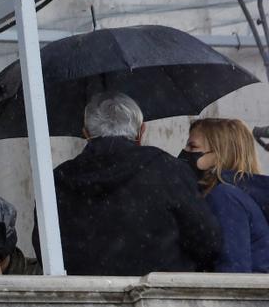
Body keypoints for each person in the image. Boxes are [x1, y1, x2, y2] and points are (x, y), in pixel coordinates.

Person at [53, 91, 222, 275]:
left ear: (85, 133)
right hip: (160, 296)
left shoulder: (58, 178)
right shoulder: (167, 169)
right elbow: (208, 241)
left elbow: (45, 246)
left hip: (81, 297)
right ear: (141, 132)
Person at [180, 118, 269, 272]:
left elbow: (232, 277)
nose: (184, 153)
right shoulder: (231, 195)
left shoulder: (225, 198)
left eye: (192, 147)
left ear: (221, 155)